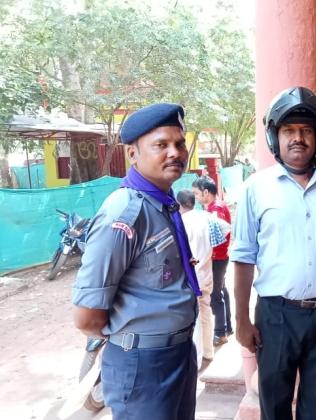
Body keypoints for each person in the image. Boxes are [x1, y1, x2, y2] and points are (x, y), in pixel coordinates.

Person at [231, 86, 316, 420]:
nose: (298, 138)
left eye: (306, 130)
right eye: (288, 130)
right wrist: (241, 320)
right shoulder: (256, 188)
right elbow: (243, 257)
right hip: (277, 316)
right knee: (274, 402)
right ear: (275, 137)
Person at [71, 103, 199, 419]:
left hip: (179, 352)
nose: (174, 153)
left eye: (179, 143)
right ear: (132, 154)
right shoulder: (124, 214)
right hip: (143, 365)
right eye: (161, 145)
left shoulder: (162, 204)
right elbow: (87, 318)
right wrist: (131, 341)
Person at [192, 175, 233, 346]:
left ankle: (220, 333)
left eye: (197, 193)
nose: (195, 197)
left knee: (215, 294)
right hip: (220, 257)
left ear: (206, 192)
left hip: (217, 258)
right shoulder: (216, 206)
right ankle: (227, 327)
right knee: (221, 290)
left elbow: (217, 237)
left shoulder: (215, 209)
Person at [177, 189, 215, 364]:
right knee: (205, 311)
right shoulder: (205, 217)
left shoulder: (182, 222)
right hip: (206, 271)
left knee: (196, 317)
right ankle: (208, 351)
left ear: (179, 204)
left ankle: (197, 359)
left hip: (193, 276)